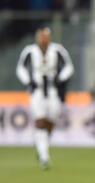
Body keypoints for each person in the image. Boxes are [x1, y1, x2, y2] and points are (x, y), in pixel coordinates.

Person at [16, 27, 74, 169]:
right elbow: (20, 68)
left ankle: (41, 146)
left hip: (53, 92)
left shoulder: (57, 50)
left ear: (49, 38)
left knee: (50, 123)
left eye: (45, 37)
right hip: (37, 92)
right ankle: (44, 156)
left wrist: (60, 78)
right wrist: (28, 81)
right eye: (40, 37)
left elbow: (69, 67)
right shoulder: (29, 51)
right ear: (37, 38)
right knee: (40, 121)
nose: (43, 40)